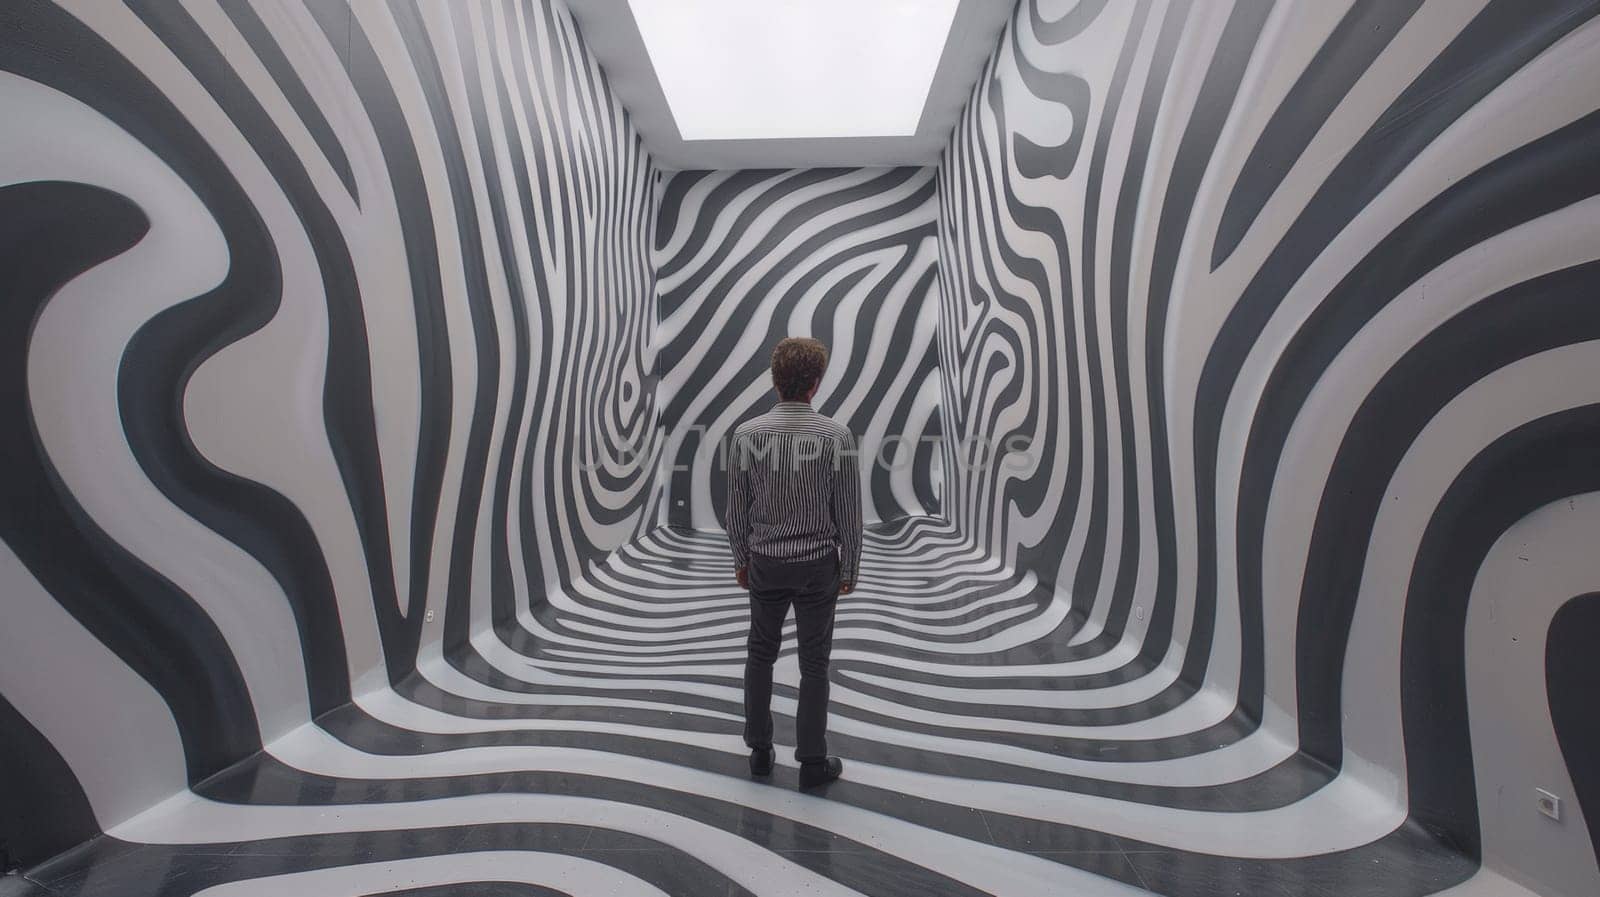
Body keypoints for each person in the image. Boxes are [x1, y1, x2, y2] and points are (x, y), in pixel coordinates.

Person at [725, 337, 862, 789]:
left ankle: (760, 752)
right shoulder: (836, 437)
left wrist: (742, 559)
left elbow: (736, 510)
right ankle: (812, 762)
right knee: (814, 664)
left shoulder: (747, 435)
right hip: (817, 566)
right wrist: (849, 568)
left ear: (775, 380)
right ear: (815, 384)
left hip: (766, 561)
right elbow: (848, 510)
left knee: (760, 655)